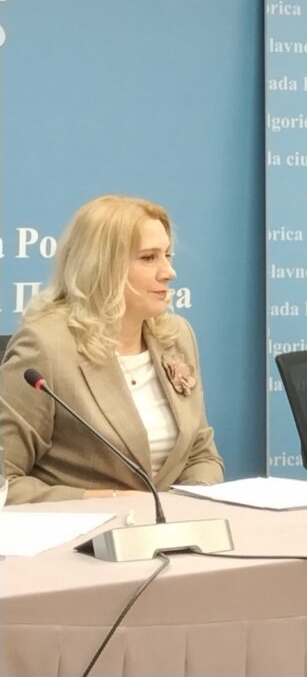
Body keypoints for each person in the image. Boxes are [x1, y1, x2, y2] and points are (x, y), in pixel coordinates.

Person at [0, 196, 223, 503]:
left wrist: (187, 505)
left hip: (172, 526)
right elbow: (5, 481)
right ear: (102, 266)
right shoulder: (46, 347)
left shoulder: (176, 336)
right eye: (149, 258)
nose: (169, 272)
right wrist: (99, 500)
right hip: (83, 529)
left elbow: (201, 454)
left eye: (168, 255)